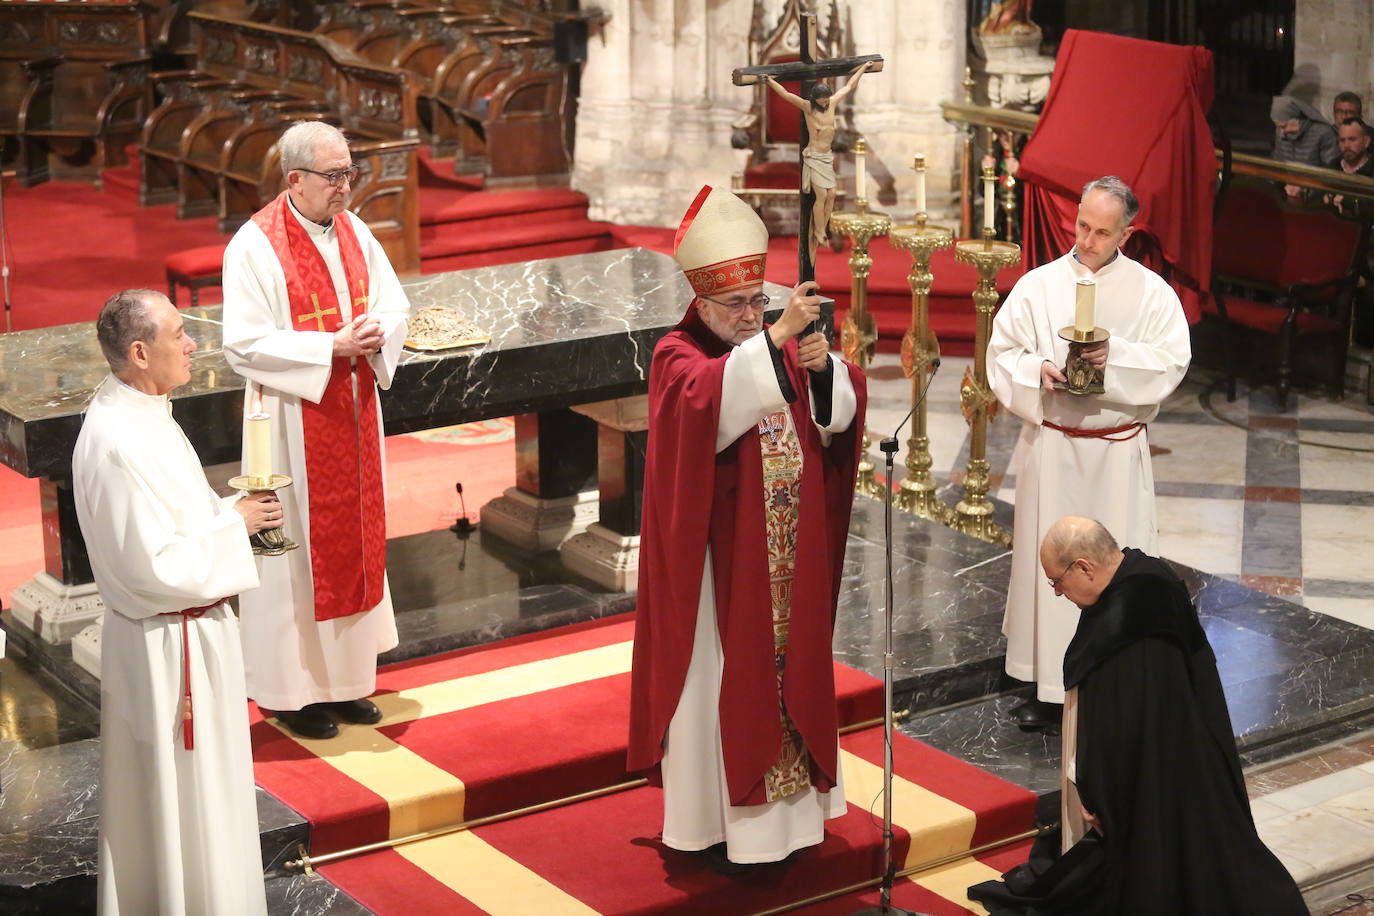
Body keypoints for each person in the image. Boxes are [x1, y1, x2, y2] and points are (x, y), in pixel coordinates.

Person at [627, 185, 867, 868]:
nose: (748, 315)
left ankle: (791, 828)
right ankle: (715, 830)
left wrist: (827, 377)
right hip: (716, 576)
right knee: (719, 689)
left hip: (786, 561)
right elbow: (707, 400)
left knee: (790, 683)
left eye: (755, 301)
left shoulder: (772, 342)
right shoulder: (678, 354)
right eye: (735, 305)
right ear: (701, 302)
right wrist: (781, 335)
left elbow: (833, 417)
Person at [967, 516, 1306, 916]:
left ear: (1083, 567)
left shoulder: (1125, 627)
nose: (1058, 593)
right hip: (1192, 758)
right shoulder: (1149, 575)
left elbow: (1122, 730)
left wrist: (1098, 797)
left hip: (1150, 785)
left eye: (1057, 581)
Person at [73, 289, 283, 915]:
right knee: (177, 805)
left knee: (209, 801)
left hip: (190, 636)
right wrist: (234, 526)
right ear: (139, 352)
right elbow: (151, 566)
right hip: (168, 654)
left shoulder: (146, 412)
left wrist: (225, 515)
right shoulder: (116, 441)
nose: (194, 344)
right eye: (179, 335)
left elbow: (171, 529)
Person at [221, 120, 411, 740]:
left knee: (353, 541)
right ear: (295, 178)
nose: (345, 187)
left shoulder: (355, 232)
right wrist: (330, 344)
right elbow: (242, 343)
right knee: (296, 555)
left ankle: (348, 685)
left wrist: (379, 330)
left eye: (349, 173)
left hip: (352, 411)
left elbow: (393, 302)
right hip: (288, 423)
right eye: (333, 176)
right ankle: (292, 694)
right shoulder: (253, 246)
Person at [987, 176, 1190, 731]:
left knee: (1113, 568)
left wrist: (1109, 358)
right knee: (1052, 569)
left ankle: (1112, 678)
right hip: (1054, 448)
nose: (1088, 240)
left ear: (1127, 232)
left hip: (1113, 455)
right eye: (1083, 225)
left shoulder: (1152, 294)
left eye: (1103, 231)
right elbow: (1004, 353)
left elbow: (1169, 365)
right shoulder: (1039, 285)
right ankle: (1049, 684)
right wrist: (1037, 370)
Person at [764, 61, 875, 260]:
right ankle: (818, 233)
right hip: (814, 156)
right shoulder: (808, 107)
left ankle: (823, 228)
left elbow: (849, 86)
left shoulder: (832, 103)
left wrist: (863, 69)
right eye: (821, 100)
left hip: (826, 157)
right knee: (821, 195)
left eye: (826, 100)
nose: (824, 103)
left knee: (832, 194)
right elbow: (786, 95)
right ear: (815, 99)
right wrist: (770, 82)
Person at [1271, 95, 1339, 199]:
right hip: (1286, 192)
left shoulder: (1324, 133)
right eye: (1278, 127)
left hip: (1315, 196)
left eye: (1284, 126)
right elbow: (1277, 165)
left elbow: (1331, 171)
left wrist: (1305, 188)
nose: (1282, 131)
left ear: (1298, 119)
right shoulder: (1280, 132)